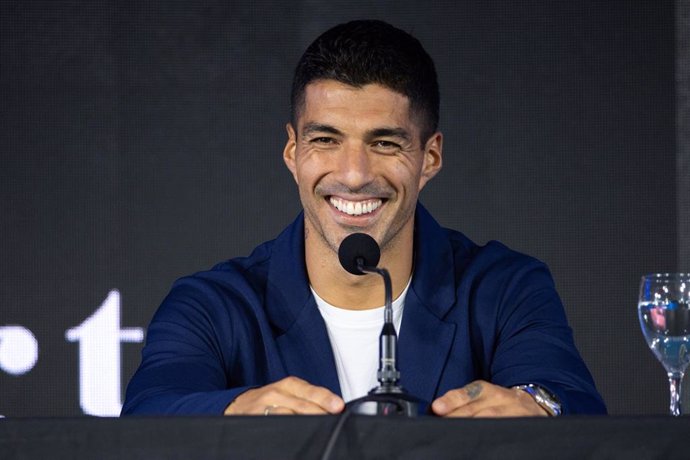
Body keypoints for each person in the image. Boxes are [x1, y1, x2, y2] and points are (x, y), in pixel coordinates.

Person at [122, 20, 606, 417]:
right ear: (293, 152)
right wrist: (236, 412)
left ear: (430, 157)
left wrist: (539, 409)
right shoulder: (212, 305)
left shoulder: (505, 288)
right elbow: (148, 415)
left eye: (385, 143)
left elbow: (576, 405)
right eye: (326, 140)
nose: (354, 175)